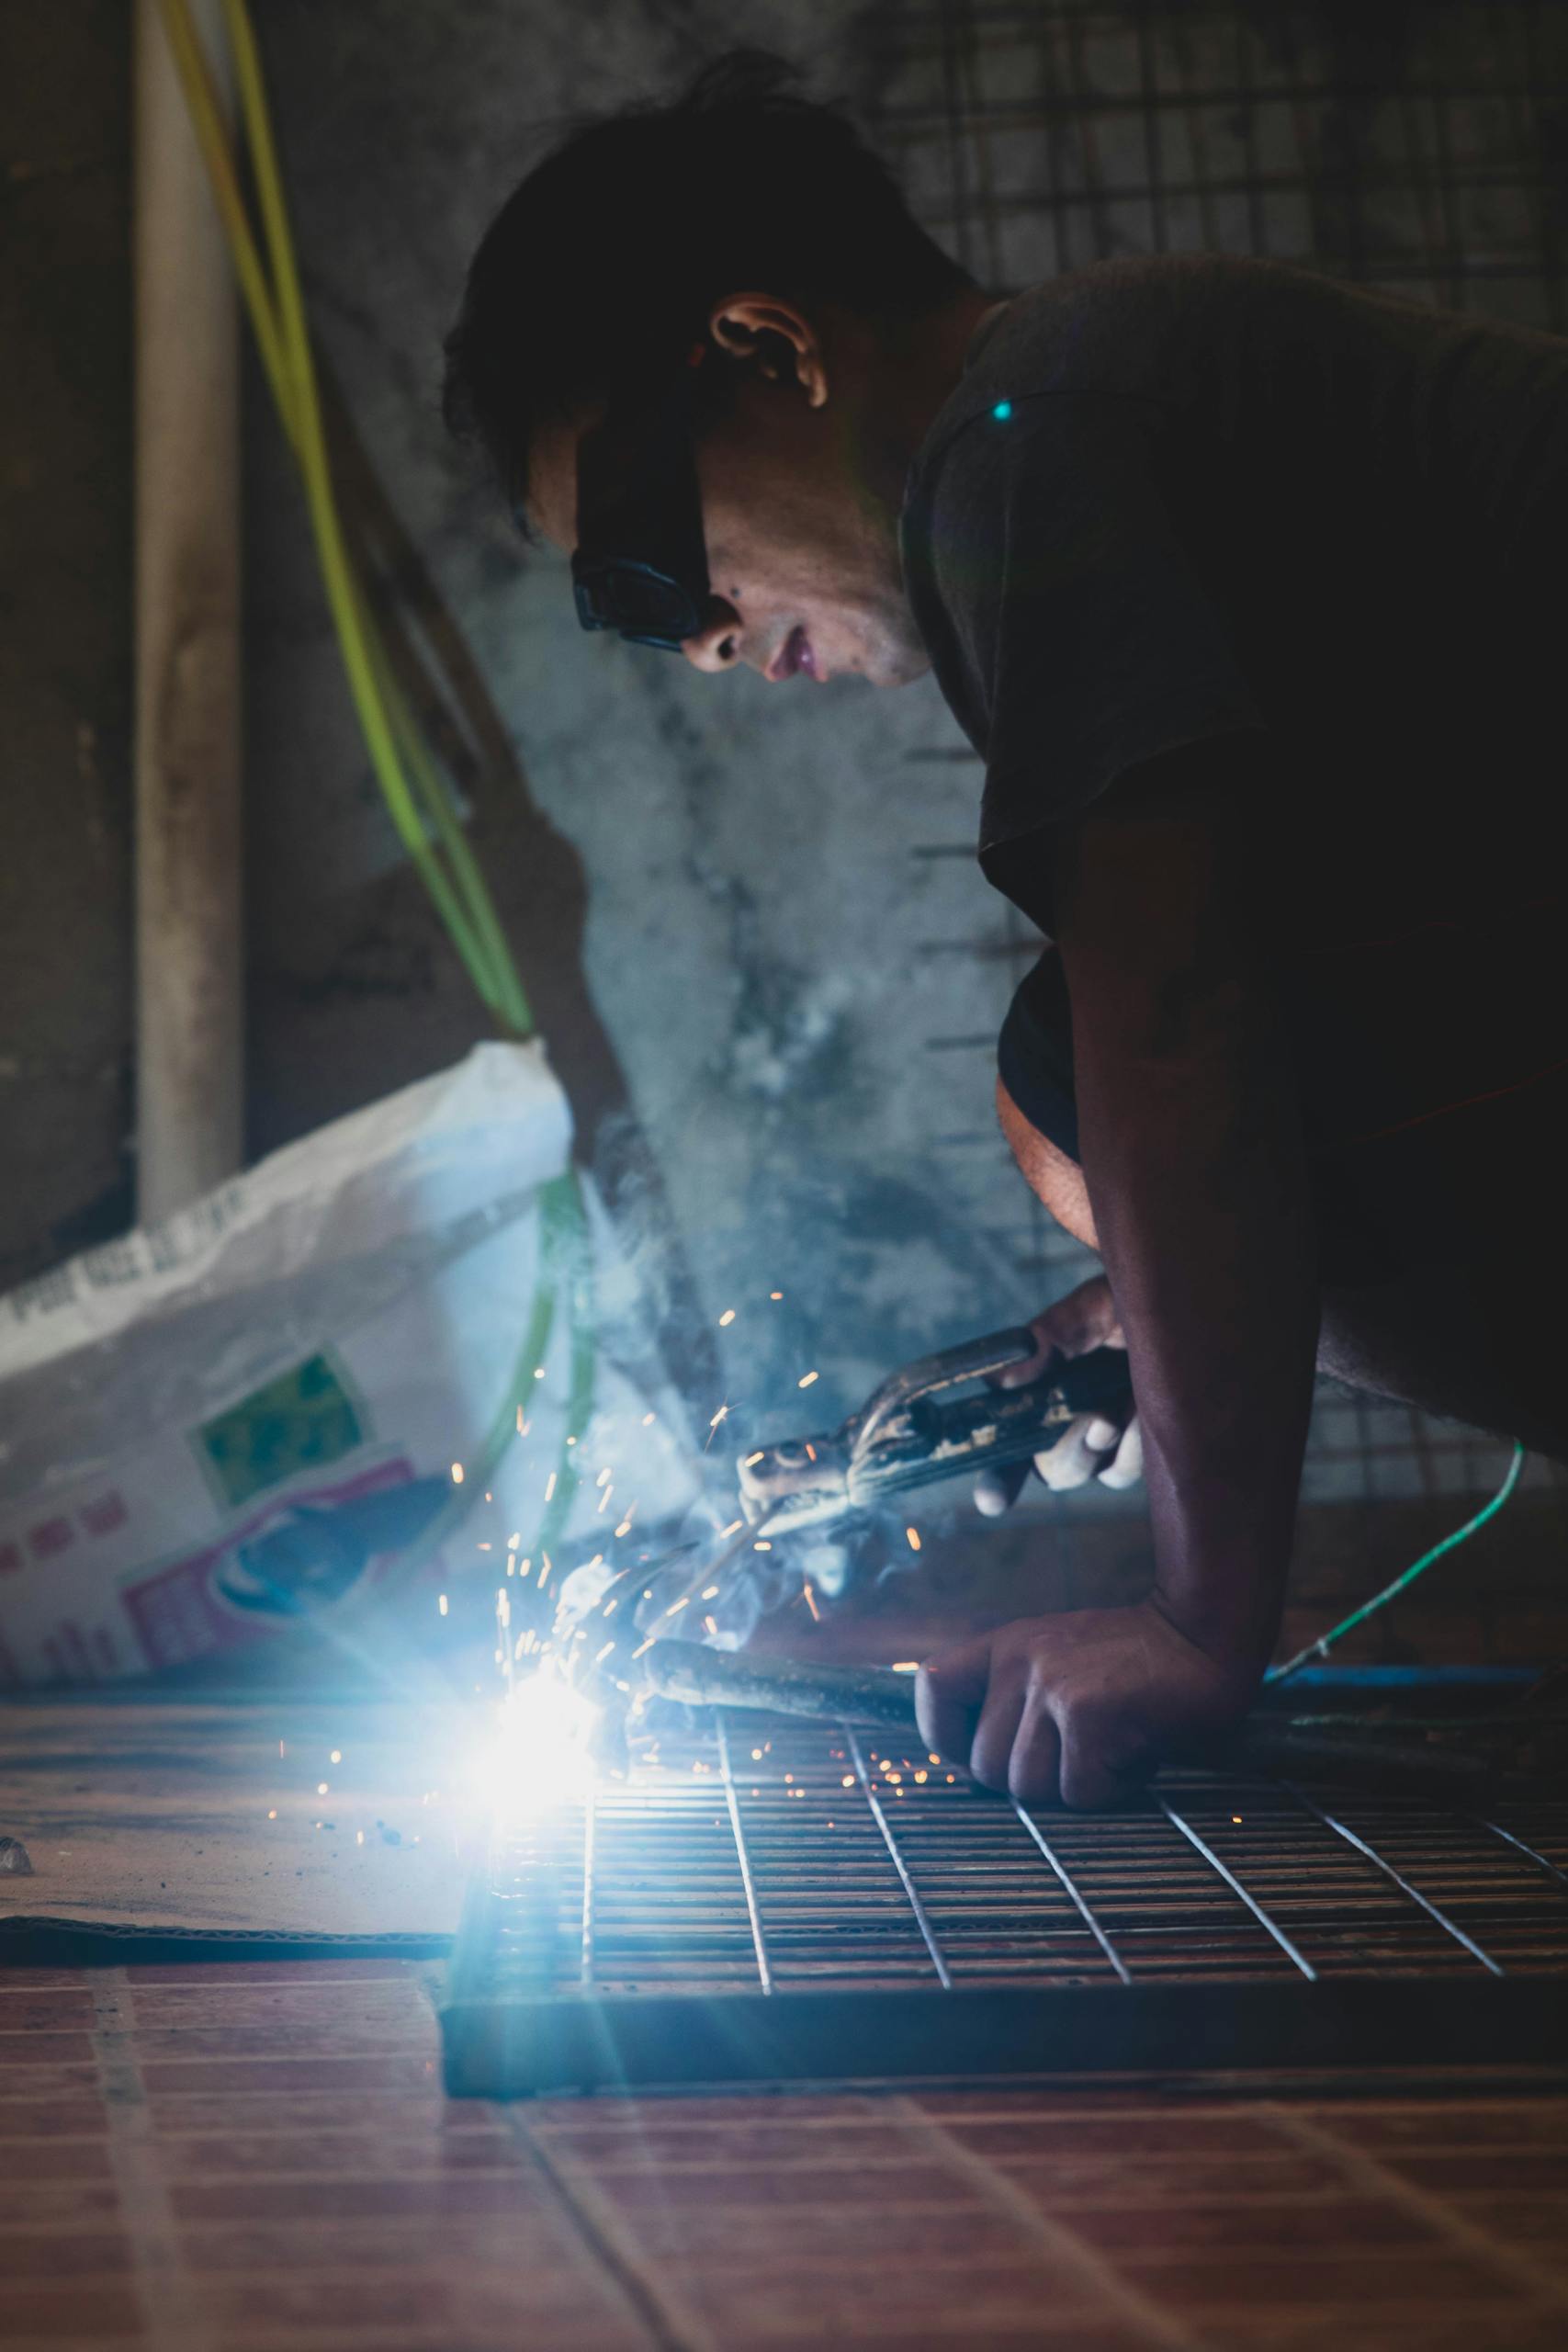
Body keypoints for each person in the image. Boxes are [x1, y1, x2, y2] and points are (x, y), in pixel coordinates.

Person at [444, 52, 1568, 1806]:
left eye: (648, 564)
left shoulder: (1028, 436)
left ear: (767, 347)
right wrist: (1145, 1305)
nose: (703, 645)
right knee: (1145, 1189)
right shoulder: (1105, 398)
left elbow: (1180, 1009)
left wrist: (1201, 1621)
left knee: (1076, 1080)